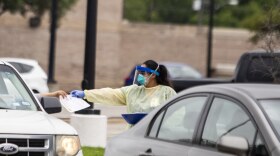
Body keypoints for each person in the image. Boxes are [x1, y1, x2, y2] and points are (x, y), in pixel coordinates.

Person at [70, 60, 177, 114]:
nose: (139, 76)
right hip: (134, 133)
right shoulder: (133, 91)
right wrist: (86, 94)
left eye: (143, 73)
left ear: (153, 75)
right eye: (139, 72)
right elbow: (110, 94)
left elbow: (175, 115)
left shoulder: (167, 92)